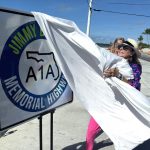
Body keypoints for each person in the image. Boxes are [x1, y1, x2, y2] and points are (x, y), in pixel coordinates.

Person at [86, 38, 142, 150]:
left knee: (122, 137)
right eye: (120, 47)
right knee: (90, 132)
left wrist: (118, 75)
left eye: (125, 47)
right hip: (104, 101)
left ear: (131, 52)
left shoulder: (135, 67)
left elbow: (133, 85)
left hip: (121, 106)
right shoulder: (110, 60)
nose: (121, 49)